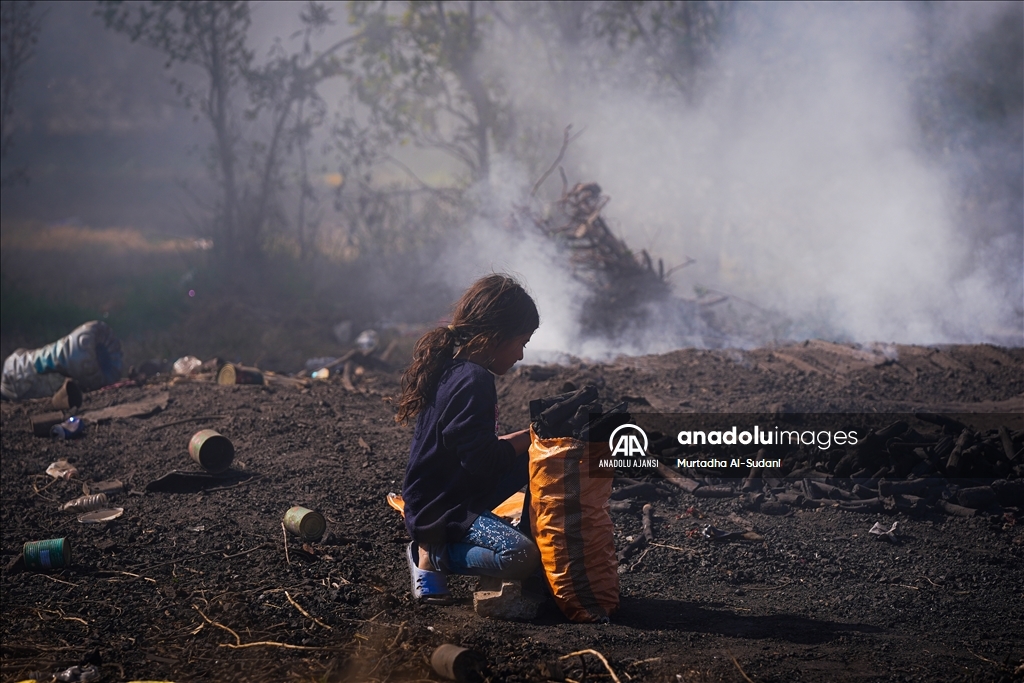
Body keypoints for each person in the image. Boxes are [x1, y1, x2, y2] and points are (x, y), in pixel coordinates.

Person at [395, 274, 541, 604]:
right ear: (496, 337)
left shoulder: (455, 369)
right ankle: (433, 554)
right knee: (520, 556)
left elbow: (475, 451)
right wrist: (530, 437)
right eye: (522, 343)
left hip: (450, 491)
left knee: (538, 453)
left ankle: (528, 532)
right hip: (442, 511)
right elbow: (485, 461)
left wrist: (534, 439)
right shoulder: (474, 381)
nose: (520, 355)